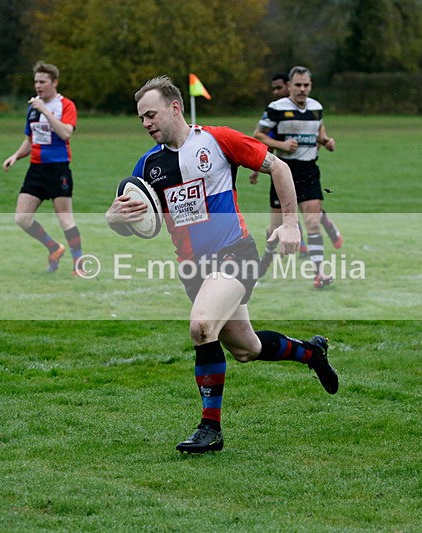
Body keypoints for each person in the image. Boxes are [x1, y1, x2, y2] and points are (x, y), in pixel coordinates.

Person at [106, 76, 339, 454]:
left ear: (174, 107)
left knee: (201, 327)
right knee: (246, 348)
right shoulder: (147, 167)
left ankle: (210, 429)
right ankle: (311, 352)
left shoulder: (217, 140)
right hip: (193, 271)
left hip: (235, 254)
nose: (146, 123)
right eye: (141, 119)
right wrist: (115, 219)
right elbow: (139, 228)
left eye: (151, 114)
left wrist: (291, 224)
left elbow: (279, 168)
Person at [254, 66, 338, 288]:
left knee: (312, 221)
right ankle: (266, 260)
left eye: (306, 85)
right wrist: (281, 144)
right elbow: (258, 135)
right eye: (298, 85)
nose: (302, 89)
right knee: (275, 228)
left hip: (309, 170)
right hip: (283, 171)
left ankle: (319, 273)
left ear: (311, 86)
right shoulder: (276, 108)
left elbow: (319, 133)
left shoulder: (316, 108)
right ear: (290, 86)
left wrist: (327, 141)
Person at [3, 61, 84, 275]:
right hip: (36, 170)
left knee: (65, 217)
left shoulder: (65, 105)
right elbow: (31, 140)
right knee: (22, 218)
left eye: (42, 81)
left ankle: (79, 263)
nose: (38, 86)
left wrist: (46, 112)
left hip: (58, 169)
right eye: (36, 81)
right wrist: (15, 156)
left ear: (54, 82)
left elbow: (66, 133)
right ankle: (54, 248)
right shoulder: (33, 107)